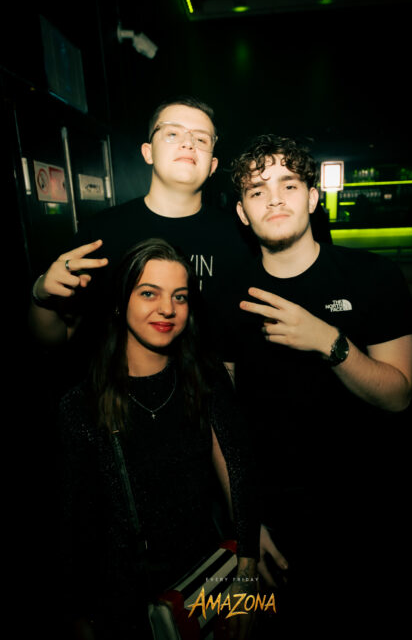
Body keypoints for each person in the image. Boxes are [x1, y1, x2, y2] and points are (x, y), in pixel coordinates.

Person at [226, 134, 412, 635]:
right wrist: (246, 527)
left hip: (370, 515)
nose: (273, 198)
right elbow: (221, 422)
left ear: (313, 198)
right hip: (274, 523)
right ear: (243, 213)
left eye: (289, 185)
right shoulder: (227, 294)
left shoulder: (375, 276)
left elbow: (399, 396)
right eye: (257, 190)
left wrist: (328, 341)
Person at [58, 238, 260, 640]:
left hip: (204, 583)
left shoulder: (205, 378)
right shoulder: (80, 404)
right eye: (149, 293)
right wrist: (78, 615)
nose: (167, 309)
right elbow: (72, 522)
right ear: (121, 302)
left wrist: (248, 572)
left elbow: (238, 469)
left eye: (179, 296)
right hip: (122, 604)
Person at [28, 95, 255, 383]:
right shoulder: (101, 232)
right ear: (148, 152)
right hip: (117, 400)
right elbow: (55, 338)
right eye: (172, 133)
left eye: (201, 139)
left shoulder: (239, 238)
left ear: (212, 165)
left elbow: (240, 346)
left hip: (206, 400)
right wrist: (41, 296)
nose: (188, 143)